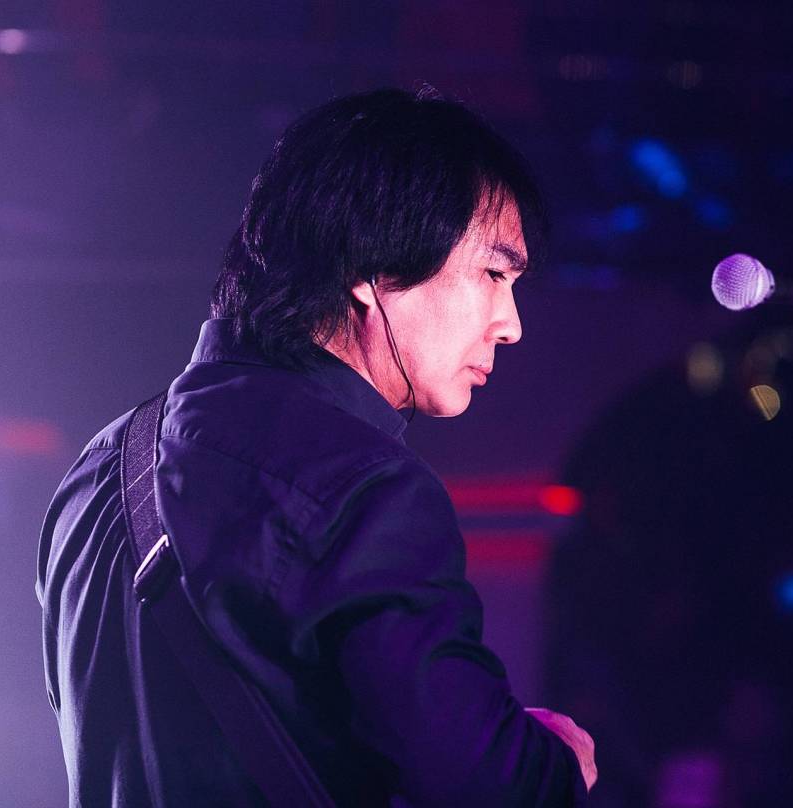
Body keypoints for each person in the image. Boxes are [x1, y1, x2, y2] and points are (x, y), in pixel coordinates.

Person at [36, 87, 596, 807]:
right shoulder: (367, 489)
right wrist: (554, 762)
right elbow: (482, 785)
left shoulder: (96, 470)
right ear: (373, 268)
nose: (509, 323)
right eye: (493, 274)